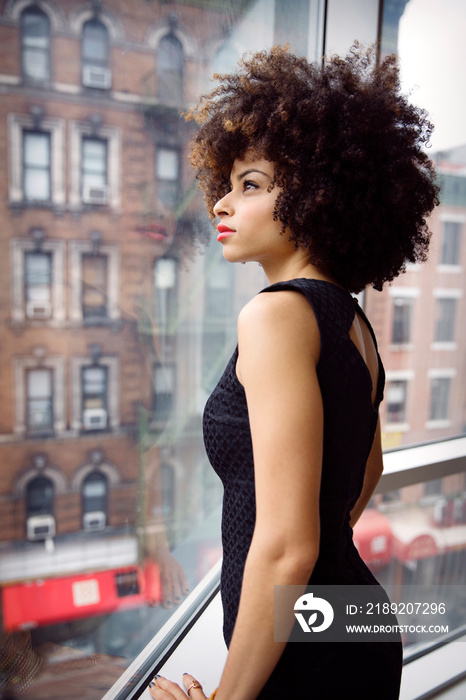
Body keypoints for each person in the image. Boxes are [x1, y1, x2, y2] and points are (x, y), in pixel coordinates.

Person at [148, 44, 439, 700]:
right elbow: (364, 477)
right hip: (355, 622)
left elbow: (286, 547)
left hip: (307, 661)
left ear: (315, 198)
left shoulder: (275, 318)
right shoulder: (353, 325)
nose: (222, 204)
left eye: (250, 185)